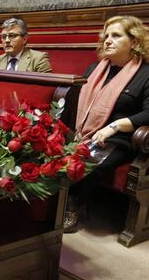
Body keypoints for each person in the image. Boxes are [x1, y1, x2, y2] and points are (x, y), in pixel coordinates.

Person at [64, 15, 149, 233]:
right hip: (84, 130)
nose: (108, 40)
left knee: (92, 158)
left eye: (116, 35)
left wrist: (116, 126)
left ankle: (73, 205)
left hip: (121, 136)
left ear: (135, 41)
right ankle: (53, 201)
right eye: (106, 36)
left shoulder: (145, 74)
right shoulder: (95, 69)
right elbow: (74, 101)